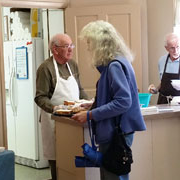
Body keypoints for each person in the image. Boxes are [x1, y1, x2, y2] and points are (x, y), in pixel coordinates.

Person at [71, 20, 146, 180]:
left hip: (115, 133)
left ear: (100, 43)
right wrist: (92, 105)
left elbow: (123, 102)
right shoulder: (120, 61)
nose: (88, 47)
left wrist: (90, 115)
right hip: (120, 130)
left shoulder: (114, 66)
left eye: (90, 42)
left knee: (112, 175)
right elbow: (116, 97)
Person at [34, 33, 88, 180]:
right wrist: (55, 109)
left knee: (72, 154)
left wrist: (90, 104)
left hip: (74, 118)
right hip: (53, 120)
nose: (71, 49)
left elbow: (80, 89)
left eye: (71, 45)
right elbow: (40, 97)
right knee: (57, 158)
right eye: (66, 46)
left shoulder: (73, 65)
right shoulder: (46, 68)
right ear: (55, 49)